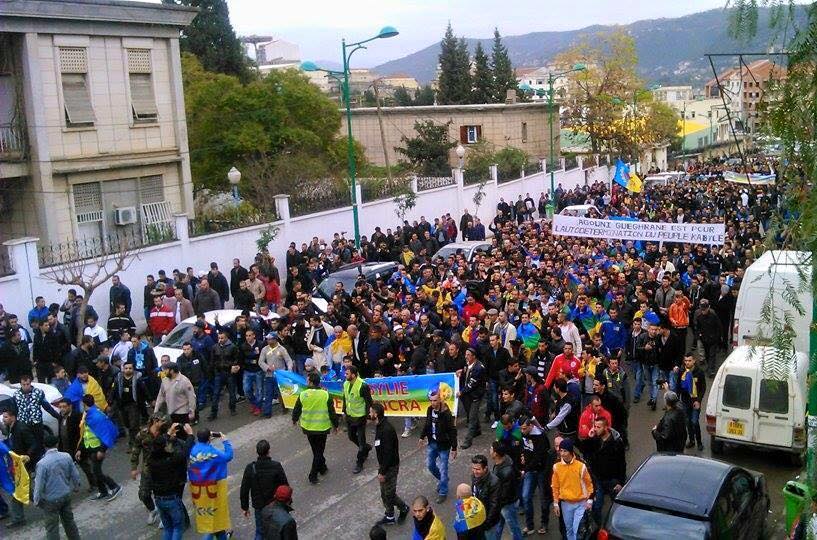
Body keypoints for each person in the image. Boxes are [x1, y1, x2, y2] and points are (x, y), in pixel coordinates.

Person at [291, 372, 339, 484]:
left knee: (316, 450)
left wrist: (294, 419)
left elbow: (297, 409)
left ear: (311, 382)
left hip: (308, 428)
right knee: (319, 451)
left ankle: (322, 468)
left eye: (307, 380)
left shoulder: (303, 394)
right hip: (322, 428)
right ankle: (314, 474)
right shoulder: (325, 395)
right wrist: (335, 425)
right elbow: (332, 412)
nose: (306, 381)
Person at [33, 433, 82, 540]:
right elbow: (75, 474)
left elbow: (39, 484)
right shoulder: (66, 456)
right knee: (69, 522)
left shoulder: (42, 464)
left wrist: (36, 500)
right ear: (57, 444)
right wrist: (76, 486)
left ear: (44, 446)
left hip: (51, 499)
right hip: (65, 494)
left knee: (52, 528)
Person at [150, 422, 195, 540]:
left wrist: (169, 432)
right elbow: (185, 450)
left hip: (158, 498)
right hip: (171, 497)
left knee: (168, 528)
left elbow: (158, 444)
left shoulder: (151, 459)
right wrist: (190, 434)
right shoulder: (171, 460)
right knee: (177, 528)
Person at [188, 428, 234, 539]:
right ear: (209, 438)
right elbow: (228, 456)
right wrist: (225, 441)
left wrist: (208, 439)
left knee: (212, 523)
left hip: (200, 492)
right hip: (213, 490)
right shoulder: (212, 453)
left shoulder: (193, 450)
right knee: (215, 522)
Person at [240, 439, 289, 540]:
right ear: (268, 451)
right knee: (277, 530)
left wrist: (245, 507)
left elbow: (244, 489)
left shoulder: (250, 468)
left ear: (257, 452)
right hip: (274, 504)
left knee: (260, 531)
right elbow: (285, 485)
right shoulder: (276, 466)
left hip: (259, 505)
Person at [370, 401, 409, 526]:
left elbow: (388, 453)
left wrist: (382, 472)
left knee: (389, 494)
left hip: (390, 467)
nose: (369, 414)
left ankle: (403, 508)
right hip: (385, 465)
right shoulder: (380, 426)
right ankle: (390, 515)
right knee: (384, 493)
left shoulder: (386, 430)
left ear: (376, 414)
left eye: (370, 412)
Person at [76, 394, 121, 502]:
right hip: (90, 447)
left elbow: (106, 434)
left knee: (96, 471)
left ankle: (114, 486)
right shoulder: (89, 415)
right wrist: (80, 449)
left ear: (84, 404)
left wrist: (102, 450)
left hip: (97, 448)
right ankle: (103, 491)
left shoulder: (96, 416)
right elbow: (85, 434)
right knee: (95, 470)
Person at [583, 416, 626, 523]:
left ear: (606, 427)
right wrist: (589, 438)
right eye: (595, 426)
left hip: (612, 479)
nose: (595, 429)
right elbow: (585, 451)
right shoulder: (595, 439)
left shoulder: (616, 443)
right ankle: (599, 526)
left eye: (598, 427)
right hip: (598, 479)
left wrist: (620, 482)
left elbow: (622, 463)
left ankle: (616, 524)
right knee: (597, 506)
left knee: (616, 505)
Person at [419, 388, 457, 503]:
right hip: (432, 443)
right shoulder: (429, 409)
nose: (433, 403)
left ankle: (443, 491)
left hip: (444, 446)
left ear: (440, 399)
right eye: (431, 400)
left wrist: (454, 447)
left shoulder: (446, 413)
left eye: (435, 400)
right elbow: (427, 424)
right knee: (430, 465)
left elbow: (452, 431)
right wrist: (422, 436)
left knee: (443, 469)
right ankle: (443, 480)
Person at [550, 438, 593, 540]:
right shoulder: (556, 467)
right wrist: (556, 503)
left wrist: (590, 500)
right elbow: (555, 486)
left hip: (581, 503)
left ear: (570, 451)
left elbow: (589, 484)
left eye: (565, 451)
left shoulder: (581, 466)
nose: (562, 453)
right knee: (569, 530)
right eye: (561, 451)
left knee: (578, 530)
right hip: (566, 504)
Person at [1, 405, 36, 528]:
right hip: (16, 465)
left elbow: (33, 444)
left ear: (13, 417)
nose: (3, 419)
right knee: (24, 491)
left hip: (23, 464)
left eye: (5, 417)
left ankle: (18, 518)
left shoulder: (21, 428)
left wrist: (27, 456)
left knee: (19, 491)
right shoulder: (10, 427)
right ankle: (47, 504)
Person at [132, 414, 168, 526]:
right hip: (148, 468)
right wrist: (134, 467)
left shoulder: (164, 434)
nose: (164, 423)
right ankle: (153, 510)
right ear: (155, 421)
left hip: (162, 468)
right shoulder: (143, 434)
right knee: (143, 494)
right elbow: (136, 450)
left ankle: (165, 517)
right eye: (161, 421)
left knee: (162, 494)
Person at [520, 417, 550, 535]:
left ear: (531, 426)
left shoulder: (540, 437)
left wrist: (525, 469)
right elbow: (523, 448)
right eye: (521, 428)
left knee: (544, 499)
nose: (522, 431)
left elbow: (539, 456)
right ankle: (529, 525)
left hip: (541, 471)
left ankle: (544, 523)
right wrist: (523, 456)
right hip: (530, 470)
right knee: (525, 496)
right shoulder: (524, 435)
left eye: (524, 428)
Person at [342, 365, 373, 474]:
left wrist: (368, 416)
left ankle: (359, 462)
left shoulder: (363, 386)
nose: (345, 375)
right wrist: (344, 411)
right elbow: (345, 398)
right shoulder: (346, 384)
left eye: (347, 374)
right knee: (351, 437)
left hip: (360, 417)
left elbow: (369, 402)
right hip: (350, 416)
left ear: (354, 375)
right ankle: (366, 447)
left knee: (361, 440)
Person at [490, 441, 523, 540]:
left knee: (514, 528)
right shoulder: (506, 460)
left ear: (495, 453)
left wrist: (496, 502)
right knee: (498, 526)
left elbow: (505, 493)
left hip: (506, 505)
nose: (489, 450)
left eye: (491, 449)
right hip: (503, 503)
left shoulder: (505, 471)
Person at [458, 348, 486, 450]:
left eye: (468, 355)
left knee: (472, 417)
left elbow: (471, 384)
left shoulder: (479, 368)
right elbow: (466, 374)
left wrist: (461, 392)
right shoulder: (467, 364)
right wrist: (461, 371)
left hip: (476, 396)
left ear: (474, 356)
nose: (466, 356)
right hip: (469, 395)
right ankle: (477, 430)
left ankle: (468, 440)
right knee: (471, 413)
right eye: (466, 354)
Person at [678, 353, 707, 451]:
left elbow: (703, 388)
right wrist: (676, 399)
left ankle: (699, 442)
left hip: (695, 402)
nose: (687, 363)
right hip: (685, 401)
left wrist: (699, 401)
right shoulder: (682, 371)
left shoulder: (699, 372)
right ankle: (691, 440)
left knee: (694, 422)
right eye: (685, 361)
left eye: (689, 360)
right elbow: (678, 386)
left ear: (694, 361)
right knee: (688, 422)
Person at [154, 363, 197, 427]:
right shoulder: (165, 380)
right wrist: (156, 410)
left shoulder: (184, 381)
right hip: (171, 413)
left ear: (172, 371)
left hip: (183, 413)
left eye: (166, 370)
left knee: (183, 431)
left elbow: (191, 397)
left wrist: (192, 412)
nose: (164, 372)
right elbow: (161, 396)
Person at [471, 454, 500, 537]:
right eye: (473, 468)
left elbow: (494, 506)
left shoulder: (494, 482)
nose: (474, 471)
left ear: (485, 468)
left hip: (488, 523)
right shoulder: (474, 476)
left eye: (478, 469)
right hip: (479, 519)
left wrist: (486, 524)